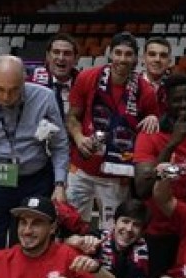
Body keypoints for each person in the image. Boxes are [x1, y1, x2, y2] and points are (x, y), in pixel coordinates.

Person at [0, 56, 70, 254]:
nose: (7, 96)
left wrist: (60, 184)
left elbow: (59, 145)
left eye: (14, 89)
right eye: (0, 89)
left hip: (35, 182)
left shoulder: (44, 98)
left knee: (32, 251)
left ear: (24, 80)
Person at [66, 31, 161, 231]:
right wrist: (79, 137)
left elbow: (152, 128)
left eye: (128, 54)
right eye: (118, 53)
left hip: (117, 175)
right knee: (70, 225)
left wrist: (153, 117)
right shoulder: (87, 77)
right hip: (82, 168)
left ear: (136, 58)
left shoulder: (145, 91)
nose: (122, 59)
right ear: (110, 53)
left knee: (112, 231)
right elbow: (72, 116)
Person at [132, 74, 186, 278]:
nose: (185, 105)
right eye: (177, 100)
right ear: (166, 102)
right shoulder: (149, 136)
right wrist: (173, 143)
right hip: (159, 228)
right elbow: (142, 189)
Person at [0, 29, 81, 117]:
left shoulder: (85, 83)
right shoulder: (28, 75)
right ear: (47, 56)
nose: (61, 58)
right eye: (56, 52)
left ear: (76, 58)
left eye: (67, 53)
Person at [140, 36, 173, 110]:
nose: (157, 59)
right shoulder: (131, 85)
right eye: (152, 54)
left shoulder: (173, 88)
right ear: (143, 59)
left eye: (163, 55)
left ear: (169, 61)